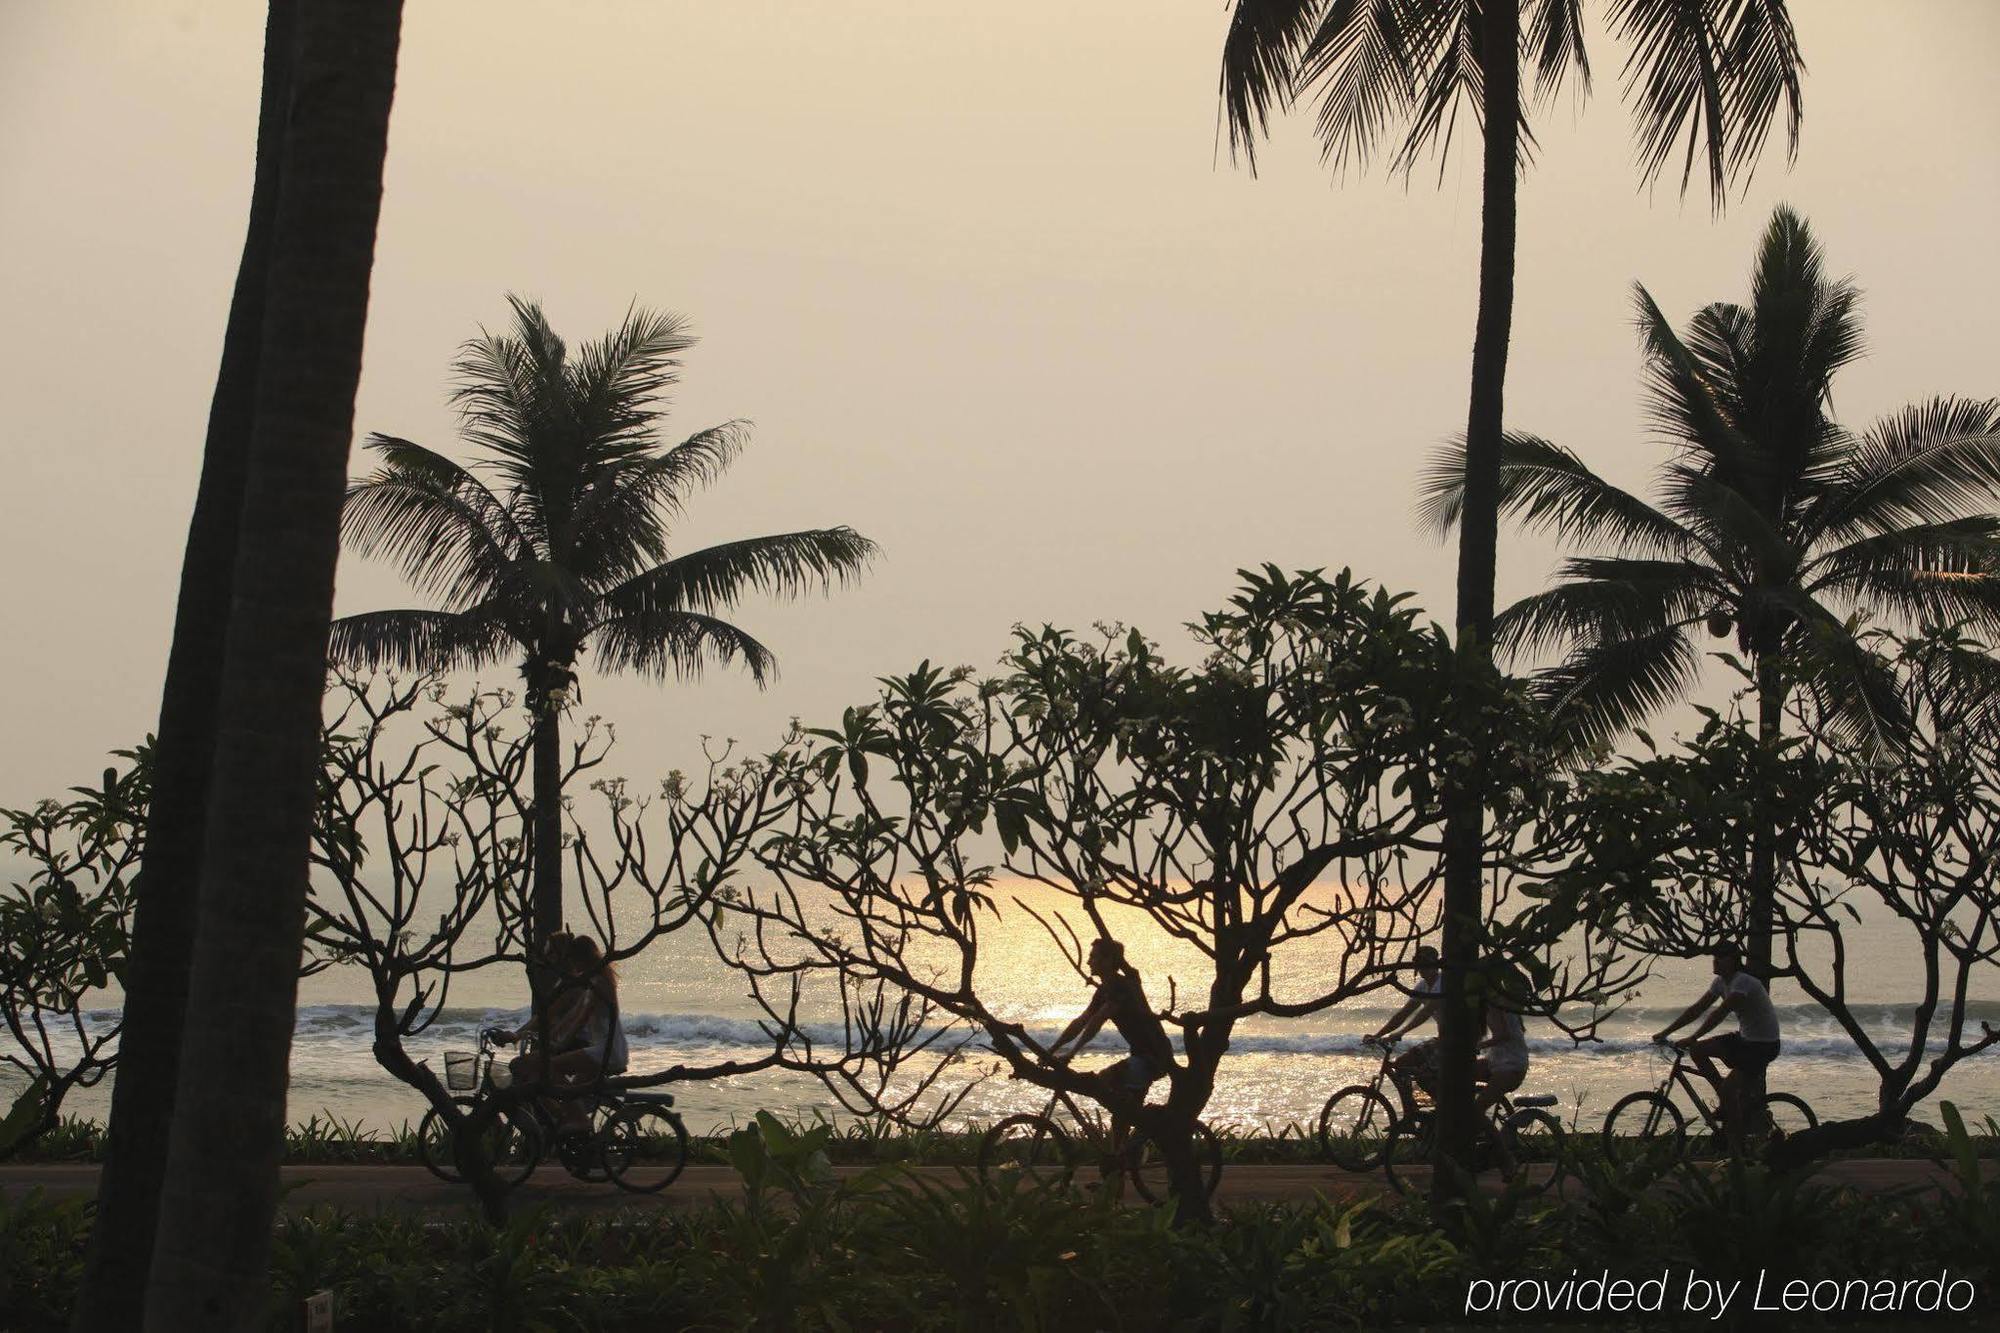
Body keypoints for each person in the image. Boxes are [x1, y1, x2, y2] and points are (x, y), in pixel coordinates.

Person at [1653, 944, 1781, 1148]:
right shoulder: (1721, 982)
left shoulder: (1743, 983)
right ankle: (1725, 1098)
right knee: (1698, 1051)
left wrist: (1693, 1036)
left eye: (1720, 957)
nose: (1715, 961)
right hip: (1745, 1040)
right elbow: (1697, 1009)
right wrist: (1665, 1033)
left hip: (1762, 1046)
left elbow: (1720, 1013)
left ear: (1733, 961)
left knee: (1729, 1089)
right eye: (1714, 957)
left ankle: (1738, 1152)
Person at [1048, 938, 1177, 1109]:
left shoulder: (1121, 987)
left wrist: (1072, 1053)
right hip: (1139, 1056)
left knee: (1103, 1080)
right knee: (1122, 1113)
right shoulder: (1104, 991)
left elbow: (1097, 1020)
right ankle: (1138, 1126)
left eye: (1094, 957)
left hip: (1153, 1057)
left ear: (1108, 961)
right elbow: (1081, 1021)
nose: (1088, 962)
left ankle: (1145, 1121)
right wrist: (1052, 1049)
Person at [1365, 945, 1442, 1107]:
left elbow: (1426, 1012)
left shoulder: (1442, 983)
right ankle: (1415, 1109)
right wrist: (1378, 1035)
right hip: (1443, 1039)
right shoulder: (1422, 986)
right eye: (1419, 964)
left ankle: (1442, 1106)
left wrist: (1401, 1032)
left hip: (1458, 1039)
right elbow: (1403, 1014)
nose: (1423, 968)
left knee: (1423, 1075)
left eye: (1427, 964)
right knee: (1402, 1064)